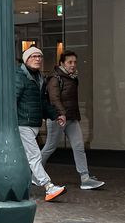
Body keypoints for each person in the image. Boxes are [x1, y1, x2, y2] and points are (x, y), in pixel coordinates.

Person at [41, 51, 105, 190]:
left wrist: (73, 114)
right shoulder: (55, 78)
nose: (73, 65)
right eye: (70, 62)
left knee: (79, 147)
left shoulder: (73, 78)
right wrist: (61, 114)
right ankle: (35, 172)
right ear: (62, 63)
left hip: (71, 118)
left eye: (75, 62)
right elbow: (54, 99)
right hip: (58, 118)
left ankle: (85, 178)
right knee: (50, 147)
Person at [16, 46, 66, 202]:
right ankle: (48, 187)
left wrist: (55, 115)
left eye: (40, 56)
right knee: (34, 156)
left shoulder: (39, 78)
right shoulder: (19, 76)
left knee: (25, 159)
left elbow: (42, 102)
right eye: (34, 56)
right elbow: (12, 101)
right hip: (23, 123)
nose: (38, 59)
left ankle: (20, 187)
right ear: (26, 59)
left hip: (33, 123)